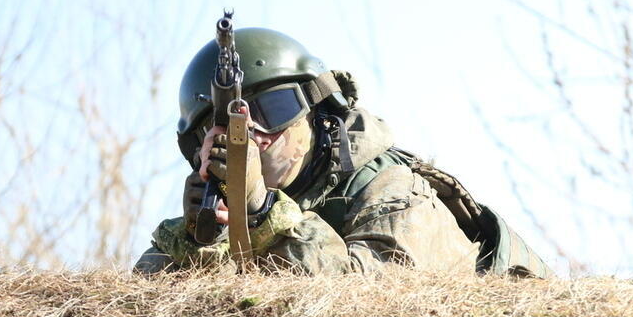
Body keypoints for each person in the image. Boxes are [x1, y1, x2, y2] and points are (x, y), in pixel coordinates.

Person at [134, 27, 552, 277]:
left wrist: (262, 212)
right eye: (221, 128)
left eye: (275, 110)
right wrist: (202, 241)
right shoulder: (207, 217)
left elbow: (362, 308)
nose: (255, 137)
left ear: (316, 112)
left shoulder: (393, 190)